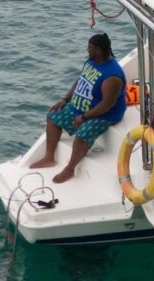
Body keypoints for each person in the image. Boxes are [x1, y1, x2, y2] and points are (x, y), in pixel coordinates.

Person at [25, 32, 127, 183]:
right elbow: (81, 80)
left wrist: (85, 117)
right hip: (81, 108)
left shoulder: (112, 77)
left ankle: (70, 168)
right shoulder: (91, 62)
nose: (87, 49)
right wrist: (66, 99)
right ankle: (49, 157)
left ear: (99, 50)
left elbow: (107, 104)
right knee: (53, 115)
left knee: (82, 134)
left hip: (103, 115)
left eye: (90, 47)